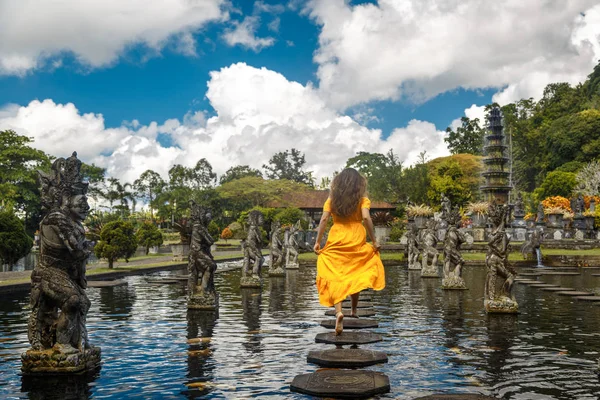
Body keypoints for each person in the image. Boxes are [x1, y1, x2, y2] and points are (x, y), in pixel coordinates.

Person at [313, 168, 385, 335]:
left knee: (335, 273)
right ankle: (353, 311)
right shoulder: (362, 200)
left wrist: (317, 242)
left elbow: (324, 219)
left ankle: (339, 312)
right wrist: (374, 241)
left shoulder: (331, 200)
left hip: (337, 235)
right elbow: (366, 218)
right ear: (359, 184)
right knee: (355, 271)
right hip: (355, 236)